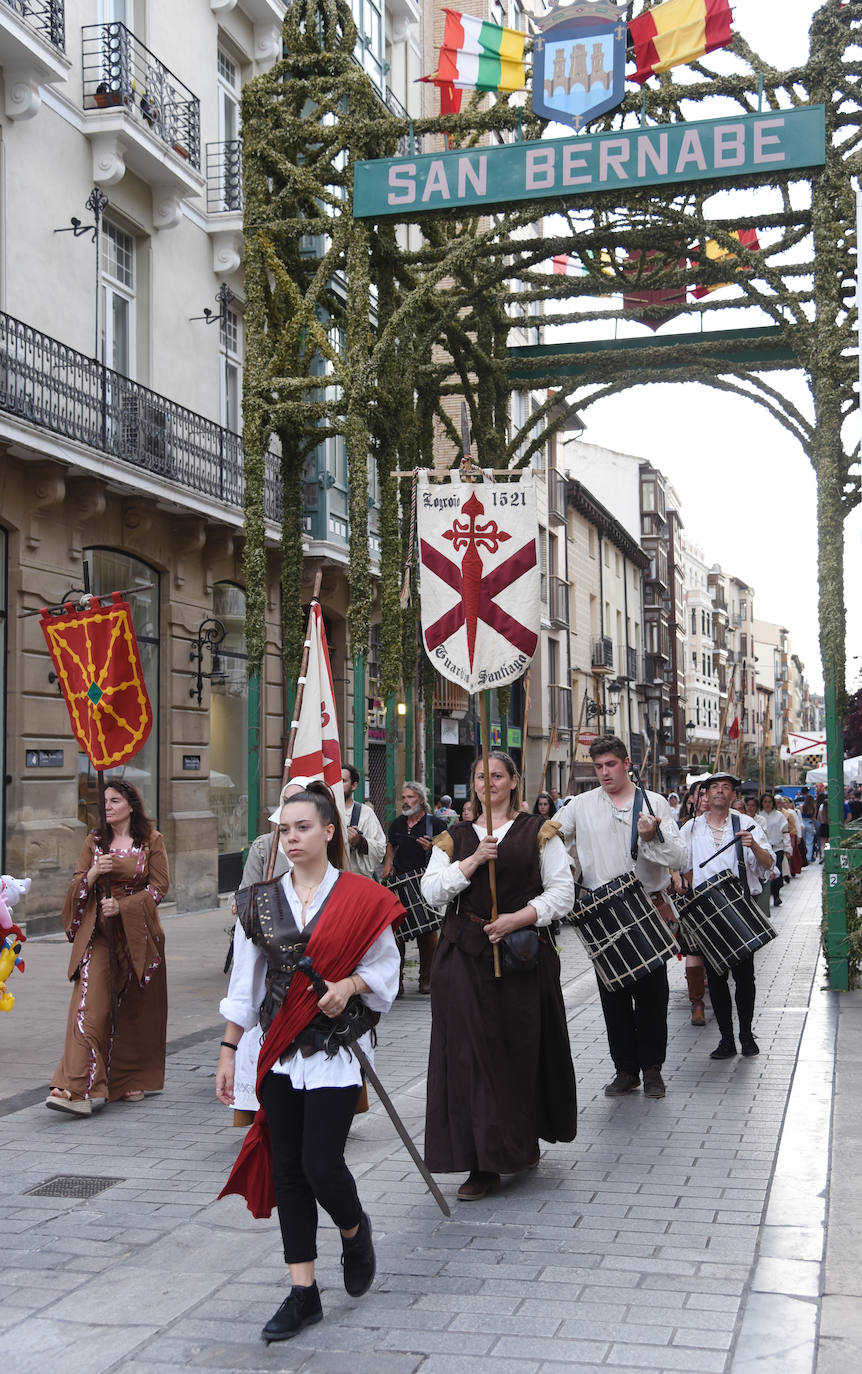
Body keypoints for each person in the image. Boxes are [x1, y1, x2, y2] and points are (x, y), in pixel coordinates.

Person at [217, 784, 403, 1343]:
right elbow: (244, 986)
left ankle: (353, 1228)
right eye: (285, 829)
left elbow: (385, 969)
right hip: (275, 1051)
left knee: (322, 1164)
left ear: (329, 831)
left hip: (334, 1053)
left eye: (303, 827)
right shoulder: (259, 901)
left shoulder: (361, 897)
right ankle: (303, 1292)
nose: (292, 838)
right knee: (289, 1171)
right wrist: (228, 1052)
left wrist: (348, 984)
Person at [421, 750, 576, 1200]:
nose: (488, 782)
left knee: (517, 1055)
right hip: (463, 962)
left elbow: (562, 894)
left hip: (520, 961)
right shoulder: (454, 838)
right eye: (480, 775)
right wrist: (471, 863)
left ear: (513, 782)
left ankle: (521, 1142)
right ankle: (481, 1162)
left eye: (497, 775)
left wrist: (519, 918)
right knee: (470, 1060)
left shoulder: (539, 833)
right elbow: (431, 892)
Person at [557, 736, 686, 1100]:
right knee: (613, 995)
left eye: (610, 765)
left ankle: (653, 1069)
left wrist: (653, 836)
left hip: (645, 907)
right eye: (598, 767)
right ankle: (625, 1070)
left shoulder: (654, 802)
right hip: (603, 911)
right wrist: (565, 871)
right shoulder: (579, 805)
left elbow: (679, 857)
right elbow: (552, 841)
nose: (604, 773)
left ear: (626, 763)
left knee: (652, 995)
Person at [46, 781, 169, 1117]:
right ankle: (75, 1085)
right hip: (98, 934)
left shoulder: (151, 841)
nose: (108, 807)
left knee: (133, 1007)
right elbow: (75, 884)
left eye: (115, 800)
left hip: (137, 935)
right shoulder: (94, 842)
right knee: (91, 1004)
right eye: (103, 802)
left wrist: (126, 906)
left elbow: (160, 887)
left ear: (131, 804)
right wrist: (91, 875)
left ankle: (129, 1077)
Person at [681, 773, 775, 1060]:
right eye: (714, 788)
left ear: (734, 794)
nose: (719, 792)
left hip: (739, 909)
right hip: (707, 913)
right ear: (705, 795)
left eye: (725, 788)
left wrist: (754, 846)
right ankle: (726, 1040)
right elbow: (678, 864)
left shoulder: (747, 824)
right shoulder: (690, 828)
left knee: (745, 978)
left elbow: (769, 864)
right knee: (717, 978)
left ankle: (746, 1035)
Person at [381, 781, 447, 994]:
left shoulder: (434, 824)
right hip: (401, 883)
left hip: (424, 882)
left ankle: (426, 979)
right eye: (404, 798)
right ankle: (396, 982)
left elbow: (447, 850)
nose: (406, 801)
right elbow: (391, 844)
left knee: (427, 932)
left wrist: (432, 847)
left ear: (420, 800)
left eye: (410, 797)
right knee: (397, 931)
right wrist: (388, 863)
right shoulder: (398, 824)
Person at [341, 765, 386, 878]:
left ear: (354, 785)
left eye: (343, 781)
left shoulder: (365, 813)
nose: (338, 785)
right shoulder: (323, 812)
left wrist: (360, 842)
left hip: (356, 880)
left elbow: (380, 849)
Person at [756, 793, 789, 907]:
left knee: (777, 872)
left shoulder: (779, 816)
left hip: (777, 848)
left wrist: (788, 847)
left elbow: (785, 832)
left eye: (769, 802)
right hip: (763, 850)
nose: (767, 804)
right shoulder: (759, 816)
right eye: (765, 802)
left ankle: (776, 895)